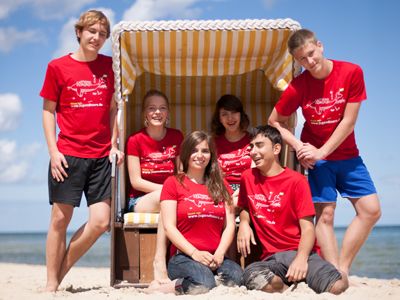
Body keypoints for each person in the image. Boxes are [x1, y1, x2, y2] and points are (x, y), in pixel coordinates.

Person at [268, 29, 381, 276]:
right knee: (326, 215)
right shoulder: (299, 86)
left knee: (371, 211)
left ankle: (343, 266)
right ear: (296, 61)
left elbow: (348, 122)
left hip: (348, 155)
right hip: (315, 160)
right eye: (302, 59)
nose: (309, 62)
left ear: (319, 46)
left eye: (311, 54)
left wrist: (322, 151)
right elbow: (274, 121)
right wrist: (299, 146)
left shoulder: (352, 72)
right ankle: (335, 274)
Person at [40, 10, 124, 292]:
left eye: (102, 34)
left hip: (101, 156)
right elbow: (48, 111)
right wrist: (53, 151)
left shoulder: (111, 67)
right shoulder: (57, 67)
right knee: (60, 220)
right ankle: (52, 284)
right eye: (92, 31)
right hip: (68, 155)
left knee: (100, 222)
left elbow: (114, 110)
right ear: (79, 32)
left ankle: (59, 272)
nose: (97, 38)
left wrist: (113, 144)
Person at [237, 125, 349, 294]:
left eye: (259, 145)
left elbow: (308, 228)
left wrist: (301, 259)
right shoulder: (247, 177)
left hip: (300, 252)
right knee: (251, 276)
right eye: (251, 146)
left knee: (338, 286)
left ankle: (300, 280)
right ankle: (290, 289)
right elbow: (245, 206)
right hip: (271, 259)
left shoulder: (297, 181)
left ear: (276, 148)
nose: (253, 151)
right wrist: (244, 223)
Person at [148, 131, 243, 295]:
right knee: (203, 283)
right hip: (184, 256)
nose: (200, 155)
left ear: (211, 155)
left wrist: (220, 254)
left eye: (205, 151)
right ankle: (161, 288)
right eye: (194, 150)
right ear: (186, 154)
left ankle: (209, 280)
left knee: (237, 278)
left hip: (215, 256)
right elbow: (169, 227)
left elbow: (229, 226)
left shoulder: (222, 185)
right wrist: (195, 253)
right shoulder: (173, 183)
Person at [125, 89, 184, 282]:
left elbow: (180, 174)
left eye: (162, 108)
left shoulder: (176, 136)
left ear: (168, 113)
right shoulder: (134, 140)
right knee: (165, 200)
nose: (157, 112)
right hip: (141, 199)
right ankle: (159, 261)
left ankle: (183, 261)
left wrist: (173, 192)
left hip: (169, 199)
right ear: (144, 113)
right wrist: (168, 191)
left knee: (174, 204)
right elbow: (136, 181)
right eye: (152, 108)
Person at [211, 94, 252, 205]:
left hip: (248, 189)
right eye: (224, 114)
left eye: (234, 112)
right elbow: (211, 174)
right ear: (219, 118)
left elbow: (258, 172)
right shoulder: (213, 143)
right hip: (221, 190)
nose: (230, 118)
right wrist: (227, 191)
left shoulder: (253, 140)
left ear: (241, 115)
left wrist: (242, 190)